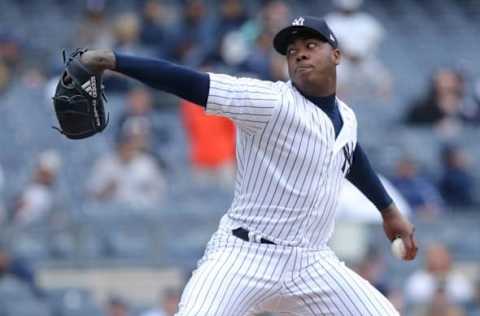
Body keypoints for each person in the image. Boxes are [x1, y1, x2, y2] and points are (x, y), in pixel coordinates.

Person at [75, 15, 417, 315]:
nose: (299, 53)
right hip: (243, 256)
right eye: (292, 49)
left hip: (312, 261)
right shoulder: (270, 102)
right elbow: (190, 82)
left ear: (337, 55)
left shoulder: (347, 116)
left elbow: (349, 153)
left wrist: (387, 209)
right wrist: (114, 61)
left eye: (311, 44)